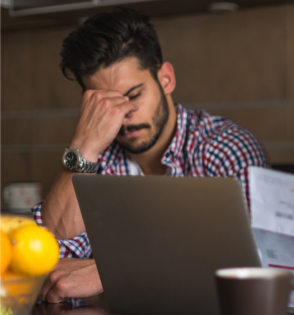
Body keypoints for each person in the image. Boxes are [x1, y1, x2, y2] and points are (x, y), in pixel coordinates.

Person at [35, 8, 269, 303]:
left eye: (133, 95)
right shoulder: (94, 158)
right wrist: (84, 146)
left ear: (166, 78)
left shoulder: (225, 149)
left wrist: (110, 272)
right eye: (106, 104)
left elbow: (252, 272)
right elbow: (45, 266)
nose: (124, 114)